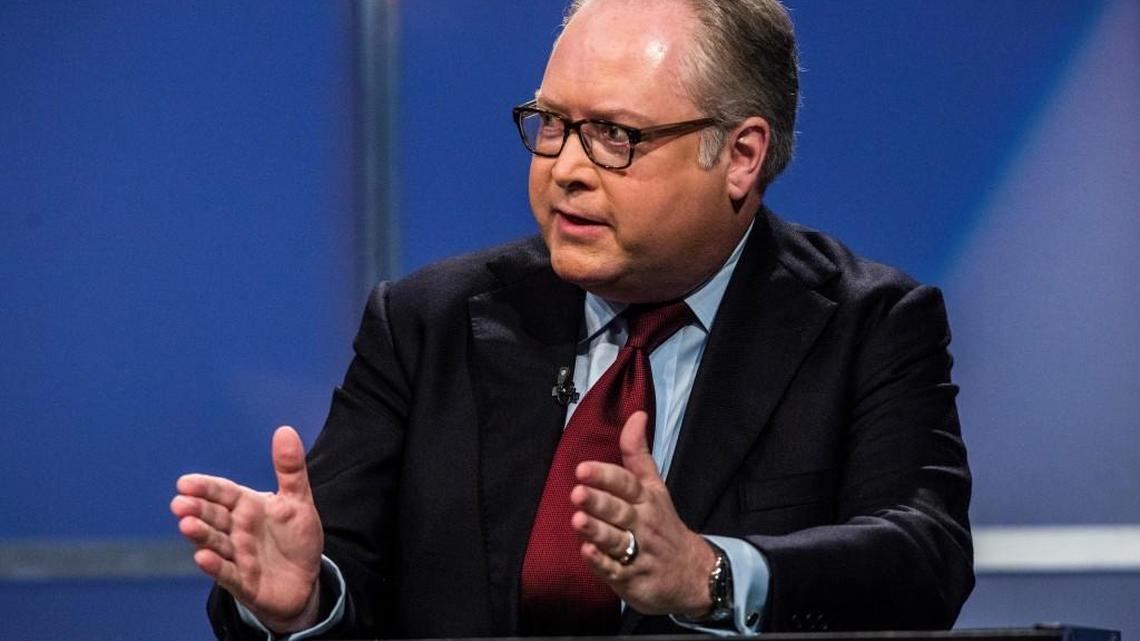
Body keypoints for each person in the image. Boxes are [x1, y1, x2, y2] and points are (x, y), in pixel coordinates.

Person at [170, 0, 973, 638]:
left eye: (615, 136)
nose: (567, 169)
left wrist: (711, 575)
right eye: (552, 125)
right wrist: (306, 601)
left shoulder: (868, 326)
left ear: (741, 155)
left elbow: (924, 558)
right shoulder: (427, 324)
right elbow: (340, 570)